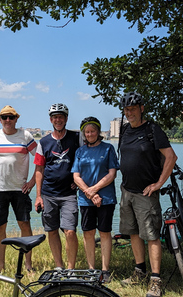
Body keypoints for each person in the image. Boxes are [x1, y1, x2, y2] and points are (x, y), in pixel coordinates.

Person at [118, 92, 178, 297]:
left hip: (146, 193)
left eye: (133, 109)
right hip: (127, 191)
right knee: (133, 232)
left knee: (151, 236)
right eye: (126, 110)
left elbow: (171, 157)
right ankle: (139, 271)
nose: (129, 113)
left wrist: (159, 183)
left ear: (142, 108)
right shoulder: (124, 130)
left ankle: (155, 280)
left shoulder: (153, 129)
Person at [0, 105, 37, 273]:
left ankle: (28, 265)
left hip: (19, 189)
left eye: (11, 117)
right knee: (0, 226)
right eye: (4, 117)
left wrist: (32, 182)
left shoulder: (25, 136)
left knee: (25, 224)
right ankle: (1, 265)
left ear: (16, 119)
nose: (8, 120)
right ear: (0, 119)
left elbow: (39, 159)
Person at [71, 116, 119, 283]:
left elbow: (112, 174)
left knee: (105, 232)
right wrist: (90, 193)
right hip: (86, 200)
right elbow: (76, 176)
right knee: (88, 233)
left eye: (93, 131)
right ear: (84, 134)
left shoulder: (108, 149)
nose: (90, 134)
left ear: (98, 132)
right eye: (87, 131)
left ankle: (105, 270)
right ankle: (91, 268)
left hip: (106, 198)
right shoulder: (80, 151)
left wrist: (94, 190)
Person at [34, 103, 81, 271]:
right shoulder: (44, 142)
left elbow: (84, 160)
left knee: (70, 231)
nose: (58, 120)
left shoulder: (77, 138)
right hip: (48, 193)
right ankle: (59, 266)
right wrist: (38, 195)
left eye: (61, 117)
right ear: (51, 120)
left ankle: (71, 268)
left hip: (69, 194)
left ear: (66, 119)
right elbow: (39, 169)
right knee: (52, 230)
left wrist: (79, 181)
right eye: (55, 117)